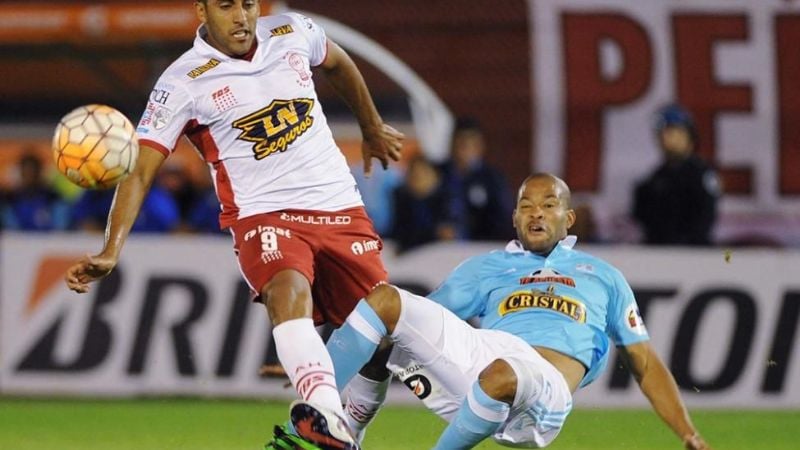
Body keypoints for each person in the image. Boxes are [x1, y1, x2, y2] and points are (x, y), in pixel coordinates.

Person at [63, 1, 403, 449]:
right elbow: (141, 169)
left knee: (380, 339)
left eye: (247, 3)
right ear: (201, 9)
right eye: (226, 6)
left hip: (338, 205)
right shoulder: (182, 82)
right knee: (287, 291)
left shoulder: (292, 31)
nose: (241, 16)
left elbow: (338, 62)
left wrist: (372, 125)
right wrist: (111, 248)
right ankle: (324, 414)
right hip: (262, 213)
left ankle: (344, 433)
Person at [325, 173, 711, 449]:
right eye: (526, 206)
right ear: (514, 219)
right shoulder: (487, 267)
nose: (536, 214)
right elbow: (416, 323)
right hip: (482, 362)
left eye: (548, 205)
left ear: (568, 219)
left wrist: (688, 433)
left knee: (502, 374)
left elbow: (644, 362)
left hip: (544, 394)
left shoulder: (603, 277)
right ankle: (336, 425)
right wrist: (321, 360)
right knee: (386, 305)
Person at [633, 104, 721, 246]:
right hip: (659, 254)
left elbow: (704, 219)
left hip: (694, 255)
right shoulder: (655, 179)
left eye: (671, 132)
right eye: (661, 134)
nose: (665, 139)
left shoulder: (701, 174)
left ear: (688, 135)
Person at [439, 117, 513, 241]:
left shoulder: (492, 179)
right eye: (461, 142)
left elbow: (503, 218)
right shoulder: (437, 173)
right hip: (436, 249)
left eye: (470, 142)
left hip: (479, 247)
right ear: (452, 143)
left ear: (481, 146)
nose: (465, 147)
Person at [391, 155, 457, 253]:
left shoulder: (447, 200)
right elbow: (400, 235)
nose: (418, 178)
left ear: (436, 177)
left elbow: (453, 231)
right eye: (414, 174)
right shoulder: (400, 199)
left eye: (423, 173)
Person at [1, 152, 69, 231]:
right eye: (26, 173)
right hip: (19, 240)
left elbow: (60, 225)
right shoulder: (11, 198)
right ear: (21, 174)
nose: (29, 178)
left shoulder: (52, 197)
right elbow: (11, 227)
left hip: (50, 240)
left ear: (39, 173)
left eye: (32, 173)